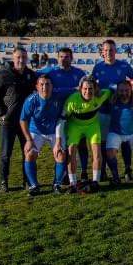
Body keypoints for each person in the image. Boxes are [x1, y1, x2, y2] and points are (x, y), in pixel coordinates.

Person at [92, 39, 133, 184]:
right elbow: (92, 86)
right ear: (102, 52)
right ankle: (103, 171)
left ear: (116, 51)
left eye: (111, 50)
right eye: (106, 50)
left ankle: (128, 169)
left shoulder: (124, 65)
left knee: (125, 142)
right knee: (104, 143)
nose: (109, 52)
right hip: (104, 111)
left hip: (122, 111)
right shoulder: (98, 68)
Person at [0, 48, 37, 193]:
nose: (21, 60)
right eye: (18, 57)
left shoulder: (30, 75)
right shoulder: (3, 74)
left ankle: (27, 181)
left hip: (25, 123)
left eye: (24, 57)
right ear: (13, 58)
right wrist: (2, 112)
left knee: (27, 152)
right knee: (5, 154)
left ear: (27, 58)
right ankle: (4, 182)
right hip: (8, 122)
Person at [42, 47, 89, 181]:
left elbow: (83, 91)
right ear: (57, 58)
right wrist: (70, 90)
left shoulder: (79, 73)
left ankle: (84, 171)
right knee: (62, 145)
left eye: (67, 57)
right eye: (61, 57)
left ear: (71, 58)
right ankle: (63, 174)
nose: (64, 59)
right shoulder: (51, 73)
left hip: (76, 114)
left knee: (80, 143)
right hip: (58, 114)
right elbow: (47, 88)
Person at [58, 76, 112, 193]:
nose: (88, 91)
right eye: (85, 89)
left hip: (92, 126)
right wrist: (59, 139)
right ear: (80, 89)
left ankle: (95, 182)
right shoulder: (72, 100)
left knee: (97, 153)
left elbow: (110, 91)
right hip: (75, 127)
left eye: (91, 89)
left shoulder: (101, 96)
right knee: (71, 152)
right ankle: (72, 183)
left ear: (95, 89)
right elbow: (61, 119)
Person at [19, 75, 65, 196]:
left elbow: (61, 119)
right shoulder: (31, 100)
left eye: (48, 84)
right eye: (42, 84)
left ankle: (57, 184)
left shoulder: (58, 99)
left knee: (60, 154)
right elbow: (23, 120)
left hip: (53, 131)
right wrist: (29, 140)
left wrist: (59, 141)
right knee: (29, 153)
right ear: (37, 86)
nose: (45, 87)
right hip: (36, 131)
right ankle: (34, 185)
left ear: (52, 86)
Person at [104, 81, 133, 186]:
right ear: (117, 91)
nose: (124, 93)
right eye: (121, 90)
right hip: (116, 132)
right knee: (110, 152)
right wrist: (112, 92)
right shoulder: (112, 100)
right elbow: (105, 89)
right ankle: (116, 177)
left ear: (131, 90)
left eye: (127, 90)